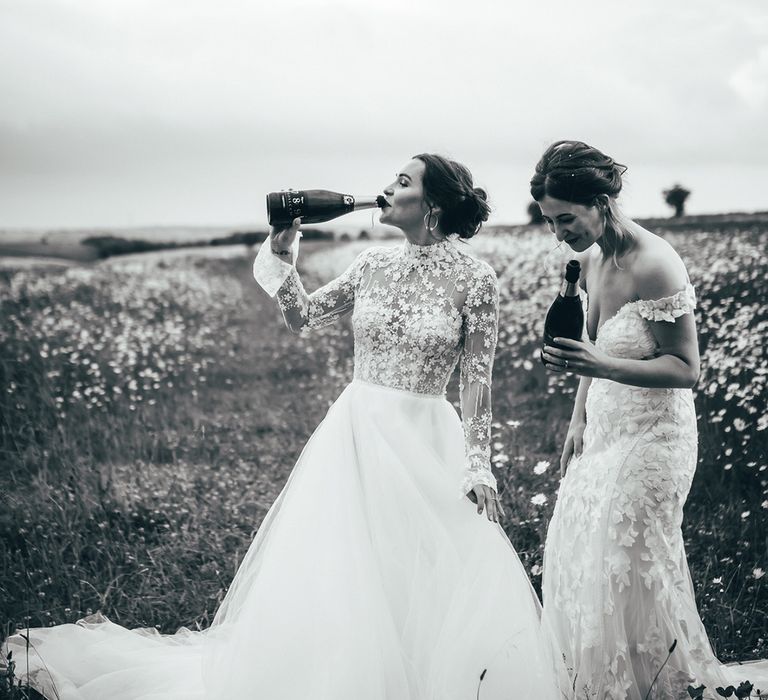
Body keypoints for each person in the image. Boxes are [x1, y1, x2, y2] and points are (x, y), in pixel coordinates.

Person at [5, 154, 562, 700]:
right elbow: (301, 316)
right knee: (349, 564)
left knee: (426, 567)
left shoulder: (476, 278)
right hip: (358, 430)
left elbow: (477, 381)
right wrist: (284, 253)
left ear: (433, 201)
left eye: (402, 180)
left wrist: (477, 463)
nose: (387, 187)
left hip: (425, 436)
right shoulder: (372, 265)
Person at [535, 140, 768, 700]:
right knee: (578, 545)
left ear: (601, 203)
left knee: (628, 560)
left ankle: (659, 685)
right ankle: (601, 685)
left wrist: (603, 365)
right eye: (549, 221)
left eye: (565, 218)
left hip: (656, 437)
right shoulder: (592, 259)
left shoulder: (656, 263)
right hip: (606, 429)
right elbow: (587, 344)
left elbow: (688, 369)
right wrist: (575, 421)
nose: (558, 232)